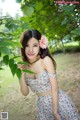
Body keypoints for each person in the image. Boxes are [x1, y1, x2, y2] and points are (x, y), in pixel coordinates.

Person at [19, 29, 80, 120]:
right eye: (27, 45)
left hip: (58, 103)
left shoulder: (45, 61)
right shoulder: (23, 66)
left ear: (40, 45)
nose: (31, 50)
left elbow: (55, 88)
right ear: (23, 46)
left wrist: (55, 112)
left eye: (35, 45)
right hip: (42, 106)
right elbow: (25, 93)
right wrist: (20, 74)